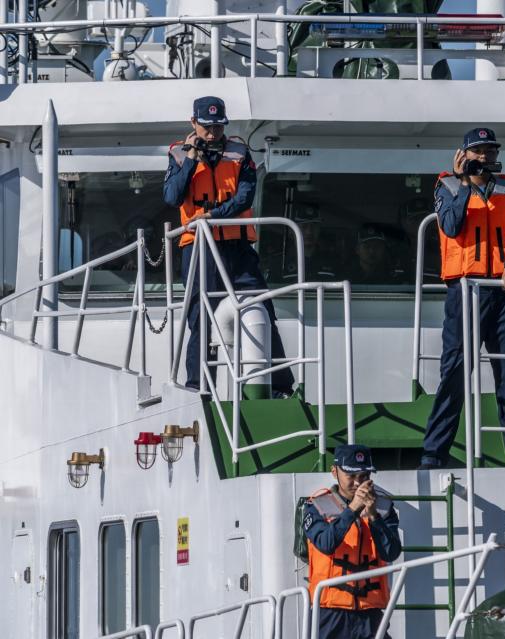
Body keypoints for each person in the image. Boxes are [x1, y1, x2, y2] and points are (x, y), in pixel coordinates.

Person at [419, 127, 505, 469]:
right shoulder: (447, 185)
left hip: (503, 291)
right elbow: (452, 227)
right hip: (465, 292)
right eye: (478, 152)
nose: (485, 157)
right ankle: (434, 452)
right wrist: (464, 185)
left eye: (490, 151)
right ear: (464, 155)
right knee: (455, 372)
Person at [163, 96, 294, 397]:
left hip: (237, 249)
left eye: (218, 127)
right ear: (193, 124)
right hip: (199, 250)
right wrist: (193, 158)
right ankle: (199, 387)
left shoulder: (239, 154)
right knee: (200, 318)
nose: (213, 134)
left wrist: (212, 216)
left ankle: (280, 386)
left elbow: (244, 197)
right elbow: (172, 197)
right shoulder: (179, 156)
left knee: (263, 308)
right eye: (207, 128)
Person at [303, 445, 402, 639]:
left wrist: (374, 516)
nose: (358, 483)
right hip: (330, 613)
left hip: (370, 613)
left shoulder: (383, 508)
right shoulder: (316, 506)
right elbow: (325, 543)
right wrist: (353, 509)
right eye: (351, 476)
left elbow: (391, 553)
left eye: (364, 476)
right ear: (334, 472)